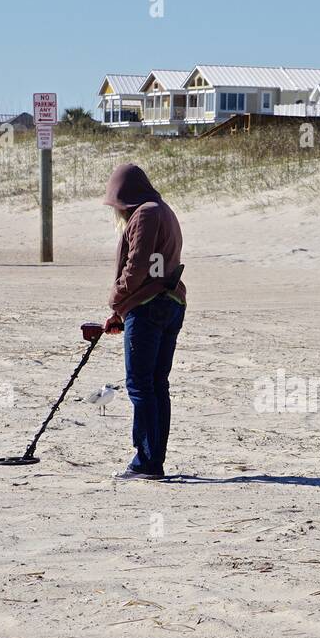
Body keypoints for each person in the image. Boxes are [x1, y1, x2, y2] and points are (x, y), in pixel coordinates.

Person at [101, 163, 186, 480]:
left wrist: (116, 300)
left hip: (150, 307)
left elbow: (137, 269)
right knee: (156, 384)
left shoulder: (146, 214)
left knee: (140, 385)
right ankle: (153, 459)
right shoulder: (162, 209)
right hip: (169, 303)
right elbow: (154, 266)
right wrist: (121, 311)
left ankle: (147, 461)